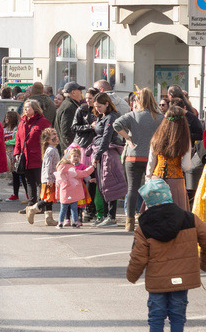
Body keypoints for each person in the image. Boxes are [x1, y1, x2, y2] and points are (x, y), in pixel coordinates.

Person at [126, 178, 206, 332]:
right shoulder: (189, 218)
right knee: (177, 314)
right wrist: (205, 264)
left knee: (156, 315)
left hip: (157, 281)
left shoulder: (144, 226)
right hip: (182, 278)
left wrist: (132, 276)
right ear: (168, 195)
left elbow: (138, 256)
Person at [114, 88, 164, 232]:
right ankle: (150, 218)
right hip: (151, 157)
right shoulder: (160, 118)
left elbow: (116, 125)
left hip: (133, 155)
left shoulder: (132, 115)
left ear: (138, 101)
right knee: (152, 188)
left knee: (132, 189)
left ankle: (129, 221)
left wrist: (128, 138)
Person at [146, 106, 191, 212]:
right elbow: (186, 166)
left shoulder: (156, 138)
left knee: (155, 216)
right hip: (176, 183)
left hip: (156, 180)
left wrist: (148, 179)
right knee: (176, 217)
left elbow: (151, 162)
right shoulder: (185, 140)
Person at [91, 92, 126, 228]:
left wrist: (97, 156)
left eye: (100, 106)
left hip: (109, 153)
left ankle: (111, 216)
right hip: (100, 152)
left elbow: (106, 137)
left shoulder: (112, 117)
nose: (97, 109)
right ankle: (105, 215)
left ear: (107, 104)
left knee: (109, 185)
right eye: (96, 107)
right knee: (101, 186)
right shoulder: (103, 116)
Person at [13, 99, 51, 205]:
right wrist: (16, 153)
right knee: (29, 181)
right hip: (25, 157)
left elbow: (49, 139)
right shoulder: (22, 121)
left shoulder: (43, 122)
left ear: (35, 109)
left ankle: (40, 205)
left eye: (28, 107)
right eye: (24, 107)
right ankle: (31, 204)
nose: (25, 109)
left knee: (40, 182)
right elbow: (18, 139)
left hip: (38, 157)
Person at [55, 144, 93, 228]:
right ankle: (75, 222)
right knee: (74, 208)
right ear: (69, 157)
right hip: (74, 194)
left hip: (64, 194)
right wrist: (93, 166)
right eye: (74, 156)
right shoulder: (73, 170)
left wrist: (57, 195)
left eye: (77, 156)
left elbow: (57, 185)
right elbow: (84, 173)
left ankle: (60, 222)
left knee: (63, 209)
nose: (76, 157)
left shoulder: (60, 171)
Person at [29, 127, 59, 226]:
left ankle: (48, 218)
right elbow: (48, 166)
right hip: (49, 179)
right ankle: (33, 209)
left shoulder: (53, 149)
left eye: (56, 135)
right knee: (48, 198)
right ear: (47, 140)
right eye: (53, 136)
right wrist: (50, 179)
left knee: (50, 199)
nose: (56, 137)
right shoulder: (50, 150)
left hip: (52, 178)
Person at [54, 82, 85, 151]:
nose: (81, 93)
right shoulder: (69, 107)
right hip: (68, 150)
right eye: (80, 91)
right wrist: (72, 149)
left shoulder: (69, 104)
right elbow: (66, 132)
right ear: (73, 92)